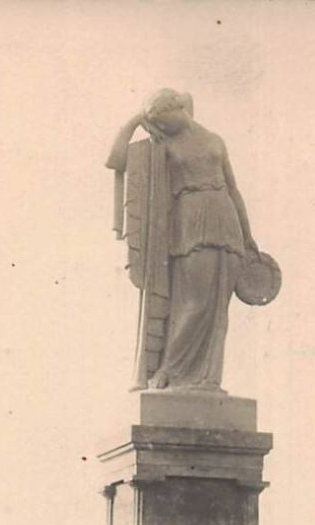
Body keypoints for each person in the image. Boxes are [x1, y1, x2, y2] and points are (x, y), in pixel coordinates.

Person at [106, 89, 258, 390]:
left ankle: (207, 379)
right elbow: (116, 159)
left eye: (165, 118)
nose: (163, 125)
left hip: (224, 217)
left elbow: (234, 189)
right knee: (194, 302)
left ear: (179, 109)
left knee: (217, 307)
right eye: (158, 121)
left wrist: (248, 235)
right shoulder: (162, 143)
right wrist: (137, 119)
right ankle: (168, 371)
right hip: (189, 220)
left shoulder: (216, 140)